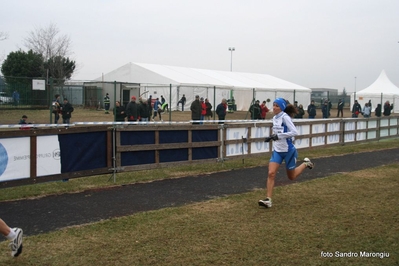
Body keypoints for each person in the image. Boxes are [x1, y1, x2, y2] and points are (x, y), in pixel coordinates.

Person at [258, 98, 314, 208]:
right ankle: (268, 200)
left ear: (282, 107)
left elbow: (294, 132)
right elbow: (277, 132)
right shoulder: (274, 118)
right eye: (273, 105)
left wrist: (278, 136)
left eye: (277, 106)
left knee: (291, 177)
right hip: (277, 151)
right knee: (271, 173)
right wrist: (271, 137)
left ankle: (306, 164)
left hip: (288, 151)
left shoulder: (285, 117)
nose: (274, 107)